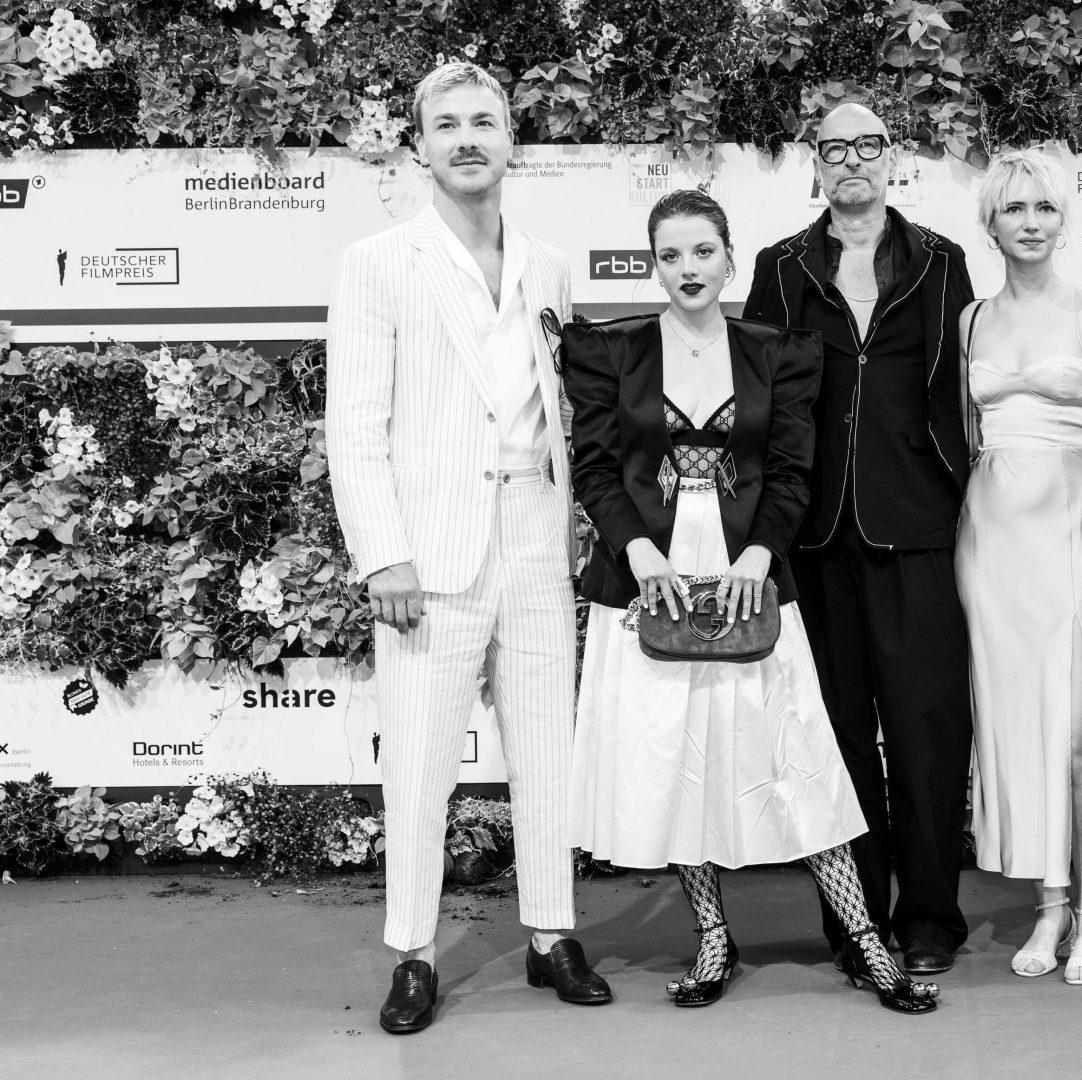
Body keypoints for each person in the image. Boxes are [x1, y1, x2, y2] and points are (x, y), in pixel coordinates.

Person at [564, 189, 939, 1014]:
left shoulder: (778, 354)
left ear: (732, 259)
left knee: (796, 754)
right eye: (670, 255)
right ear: (654, 266)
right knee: (677, 762)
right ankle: (712, 938)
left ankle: (865, 937)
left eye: (703, 251)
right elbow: (594, 468)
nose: (688, 269)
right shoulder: (612, 353)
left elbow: (795, 472)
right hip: (650, 580)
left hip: (752, 577)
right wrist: (637, 549)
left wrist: (761, 554)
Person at [325, 61, 610, 1035]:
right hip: (428, 555)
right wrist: (382, 555)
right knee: (417, 766)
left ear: (511, 139)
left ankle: (551, 934)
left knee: (547, 753)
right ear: (420, 147)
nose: (467, 139)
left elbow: (556, 407)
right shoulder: (379, 262)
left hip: (534, 541)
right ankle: (412, 954)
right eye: (446, 124)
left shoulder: (547, 264)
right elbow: (354, 424)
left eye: (484, 121)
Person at [742, 103, 976, 976]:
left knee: (927, 731)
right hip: (814, 536)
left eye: (867, 146)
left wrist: (961, 483)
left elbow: (964, 382)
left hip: (918, 523)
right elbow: (758, 399)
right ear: (815, 164)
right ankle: (856, 921)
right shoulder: (781, 266)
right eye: (834, 148)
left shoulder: (942, 260)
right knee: (836, 738)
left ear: (891, 160)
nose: (852, 162)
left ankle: (931, 917)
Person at [954, 149, 1082, 985]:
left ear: (1065, 221)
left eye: (1045, 208)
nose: (1030, 222)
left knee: (1077, 727)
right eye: (1014, 208)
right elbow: (970, 438)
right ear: (990, 223)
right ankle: (1050, 903)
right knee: (1017, 726)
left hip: (1078, 525)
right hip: (992, 540)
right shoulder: (970, 320)